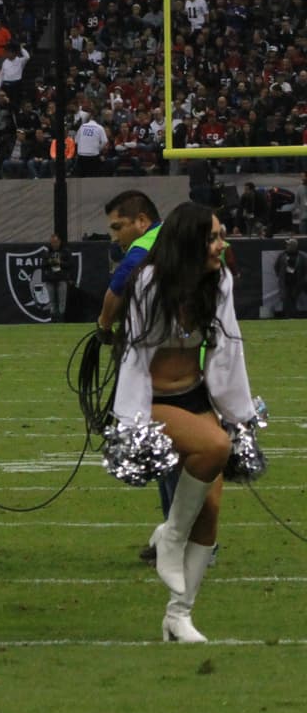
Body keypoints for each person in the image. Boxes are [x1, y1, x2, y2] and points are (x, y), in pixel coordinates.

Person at [111, 202, 255, 642]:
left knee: (210, 511)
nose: (220, 245)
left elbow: (228, 349)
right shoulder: (151, 283)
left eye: (221, 235)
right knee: (214, 447)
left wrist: (239, 416)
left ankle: (179, 615)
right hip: (152, 399)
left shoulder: (220, 281)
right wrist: (130, 422)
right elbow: (135, 357)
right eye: (212, 237)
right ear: (189, 241)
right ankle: (171, 536)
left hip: (195, 395)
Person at [98, 190, 181, 559]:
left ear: (142, 221)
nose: (115, 235)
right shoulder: (174, 241)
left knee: (169, 450)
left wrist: (103, 326)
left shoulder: (145, 246)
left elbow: (117, 289)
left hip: (165, 364)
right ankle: (173, 534)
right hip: (178, 356)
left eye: (119, 226)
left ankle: (187, 540)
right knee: (165, 450)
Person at [43, 233, 75, 322]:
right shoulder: (47, 253)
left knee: (62, 302)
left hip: (62, 279)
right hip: (50, 280)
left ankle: (61, 321)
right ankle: (53, 321)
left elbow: (71, 265)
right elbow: (42, 265)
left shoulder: (65, 252)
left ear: (59, 242)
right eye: (52, 242)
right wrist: (49, 262)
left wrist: (60, 262)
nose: (54, 244)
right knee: (52, 302)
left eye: (56, 242)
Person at [274, 238, 305, 318]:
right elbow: (276, 267)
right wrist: (280, 276)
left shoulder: (301, 257)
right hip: (285, 282)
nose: (287, 246)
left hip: (297, 282)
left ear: (293, 246)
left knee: (293, 298)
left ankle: (293, 315)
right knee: (285, 298)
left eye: (288, 245)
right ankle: (287, 315)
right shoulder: (282, 255)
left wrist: (303, 280)